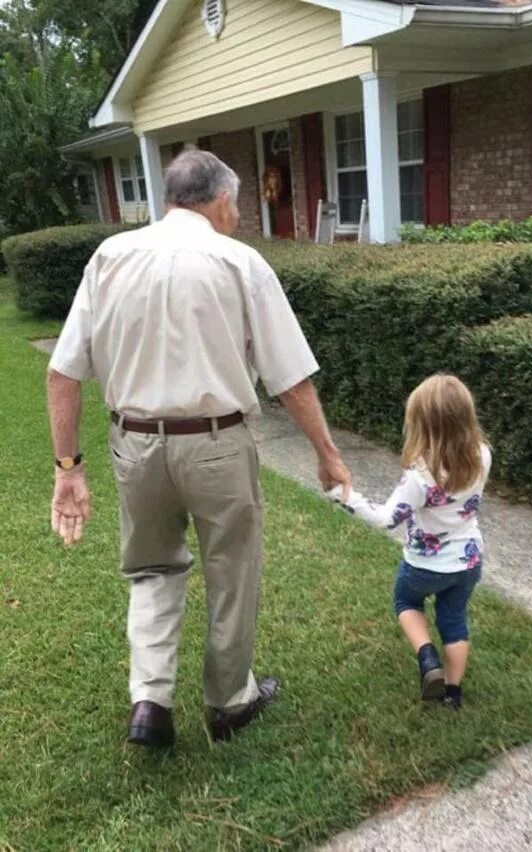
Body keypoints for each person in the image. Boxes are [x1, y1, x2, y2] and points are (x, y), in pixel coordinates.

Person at [47, 149, 351, 747]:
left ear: (170, 199)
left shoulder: (109, 257)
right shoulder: (239, 262)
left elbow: (62, 374)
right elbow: (291, 379)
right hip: (217, 446)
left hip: (134, 446)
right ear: (220, 200)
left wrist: (68, 469)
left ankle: (150, 702)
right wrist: (327, 453)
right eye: (236, 205)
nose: (236, 216)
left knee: (151, 568)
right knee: (232, 571)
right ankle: (230, 702)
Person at [329, 374, 490, 710]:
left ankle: (427, 658)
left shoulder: (420, 476)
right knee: (454, 620)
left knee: (406, 602)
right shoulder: (481, 455)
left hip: (424, 564)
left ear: (422, 425)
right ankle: (453, 693)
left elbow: (386, 518)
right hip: (468, 561)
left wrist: (344, 495)